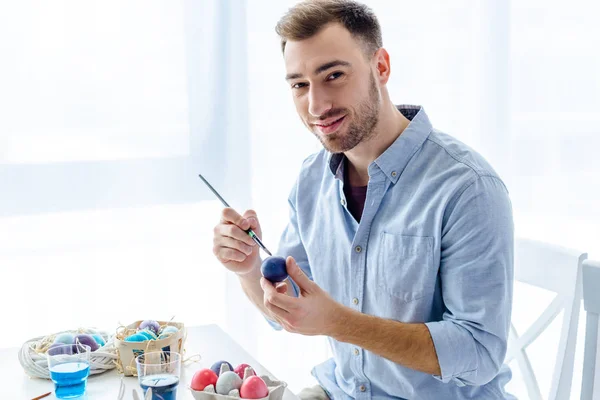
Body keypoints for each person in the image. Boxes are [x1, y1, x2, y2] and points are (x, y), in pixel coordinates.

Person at [212, 1, 515, 399]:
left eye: (333, 75)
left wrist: (340, 323)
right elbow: (288, 305)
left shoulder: (467, 188)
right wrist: (248, 268)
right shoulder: (311, 179)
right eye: (299, 85)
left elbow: (479, 351)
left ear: (381, 67)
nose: (316, 106)